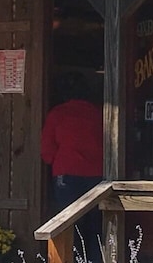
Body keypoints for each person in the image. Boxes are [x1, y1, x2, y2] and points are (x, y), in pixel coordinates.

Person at [41, 72, 103, 259]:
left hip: (67, 176)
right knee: (96, 225)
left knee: (68, 223)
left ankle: (70, 258)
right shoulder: (98, 113)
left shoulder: (57, 114)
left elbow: (47, 150)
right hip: (97, 176)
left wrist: (54, 162)